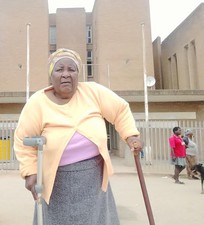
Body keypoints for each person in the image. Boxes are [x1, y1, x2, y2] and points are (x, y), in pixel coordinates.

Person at [14, 48, 143, 225]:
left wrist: (131, 135)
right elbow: (23, 141)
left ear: (78, 74)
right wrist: (30, 171)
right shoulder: (37, 102)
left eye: (71, 69)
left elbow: (120, 110)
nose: (66, 74)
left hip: (94, 176)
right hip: (56, 179)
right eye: (59, 69)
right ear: (51, 75)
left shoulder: (93, 92)